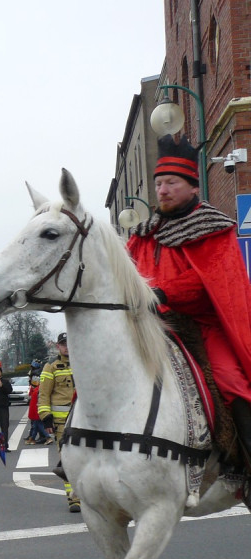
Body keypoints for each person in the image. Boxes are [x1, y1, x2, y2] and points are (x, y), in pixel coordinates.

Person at [127, 133, 251, 466]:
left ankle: (247, 466)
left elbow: (209, 281)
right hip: (151, 324)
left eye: (171, 183)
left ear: (194, 187)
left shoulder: (214, 228)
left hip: (203, 326)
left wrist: (164, 292)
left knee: (231, 380)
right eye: (159, 183)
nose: (162, 190)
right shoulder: (142, 235)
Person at [38, 332, 79, 513]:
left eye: (69, 342)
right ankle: (73, 498)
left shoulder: (82, 362)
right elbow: (43, 395)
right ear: (58, 346)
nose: (67, 346)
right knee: (67, 461)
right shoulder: (51, 367)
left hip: (82, 421)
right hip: (62, 423)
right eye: (63, 344)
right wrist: (46, 416)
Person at [26, 375, 53, 445]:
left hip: (37, 411)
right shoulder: (38, 389)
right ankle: (32, 439)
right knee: (35, 426)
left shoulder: (38, 390)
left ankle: (48, 437)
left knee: (39, 426)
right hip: (37, 410)